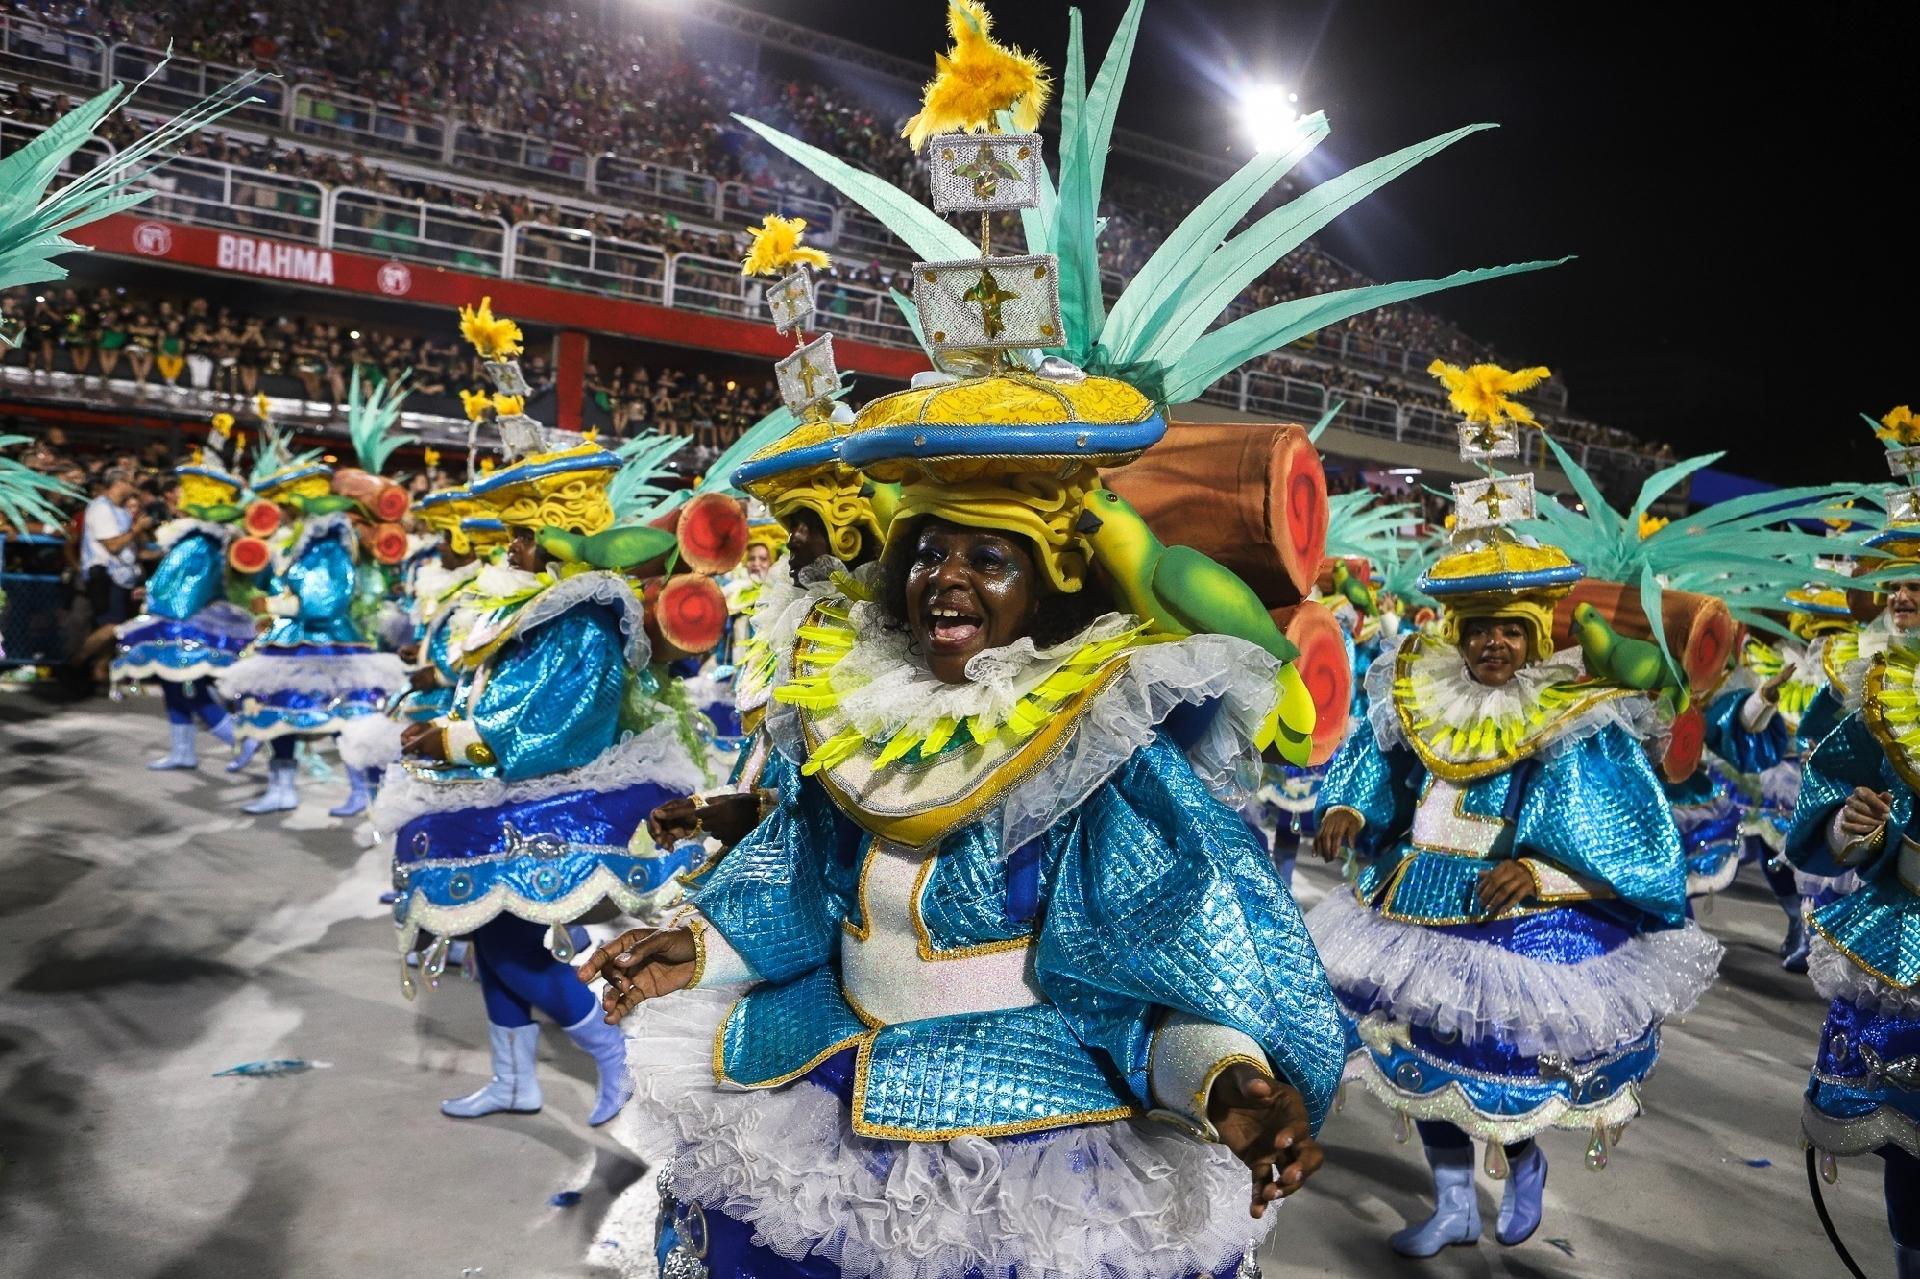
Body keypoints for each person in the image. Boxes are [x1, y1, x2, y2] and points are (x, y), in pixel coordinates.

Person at [110, 417, 261, 771]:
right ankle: (183, 750)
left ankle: (241, 740)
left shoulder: (202, 540)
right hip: (174, 622)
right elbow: (171, 579)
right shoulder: (192, 537)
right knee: (174, 687)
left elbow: (188, 592)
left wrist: (157, 605)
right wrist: (149, 594)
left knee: (189, 687)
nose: (176, 497)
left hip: (184, 626)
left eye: (185, 491)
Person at [76, 465, 151, 685]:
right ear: (118, 484)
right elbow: (113, 545)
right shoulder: (100, 508)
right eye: (129, 481)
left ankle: (100, 671)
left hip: (125, 576)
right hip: (105, 575)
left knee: (116, 627)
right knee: (112, 626)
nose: (133, 486)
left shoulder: (120, 510)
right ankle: (75, 661)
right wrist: (137, 529)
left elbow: (133, 549)